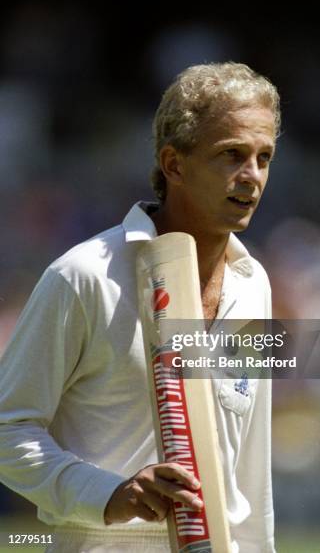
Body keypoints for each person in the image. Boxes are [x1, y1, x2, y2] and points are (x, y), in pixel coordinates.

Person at [0, 62, 280, 552]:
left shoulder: (253, 283)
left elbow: (251, 466)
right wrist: (112, 494)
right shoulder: (84, 276)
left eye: (263, 157)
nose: (251, 176)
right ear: (174, 164)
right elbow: (8, 431)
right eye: (231, 155)